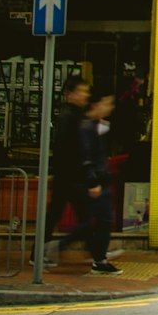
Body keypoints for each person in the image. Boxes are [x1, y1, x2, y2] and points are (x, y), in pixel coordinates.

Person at [39, 74, 90, 267]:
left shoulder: (73, 115)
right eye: (82, 92)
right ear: (71, 94)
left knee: (55, 214)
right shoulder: (70, 116)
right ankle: (93, 252)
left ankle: (40, 251)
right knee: (85, 217)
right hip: (69, 175)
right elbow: (67, 147)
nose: (85, 96)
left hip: (66, 174)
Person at [79, 90, 123, 276]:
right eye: (107, 103)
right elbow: (86, 157)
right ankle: (99, 259)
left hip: (98, 180)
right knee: (103, 220)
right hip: (95, 181)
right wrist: (92, 182)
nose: (110, 108)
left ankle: (99, 256)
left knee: (98, 221)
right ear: (96, 105)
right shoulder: (87, 128)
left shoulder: (95, 126)